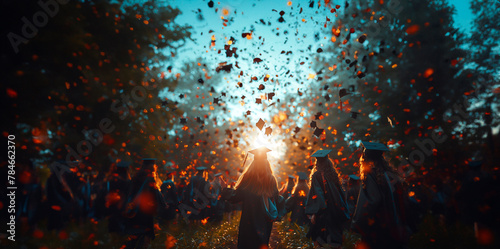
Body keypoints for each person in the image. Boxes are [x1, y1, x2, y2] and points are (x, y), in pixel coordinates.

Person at [351, 141, 413, 249]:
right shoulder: (391, 176)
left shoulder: (370, 176)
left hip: (378, 230)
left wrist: (356, 224)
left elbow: (370, 203)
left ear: (365, 157)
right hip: (395, 228)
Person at [222, 147, 285, 249]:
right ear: (266, 162)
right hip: (264, 222)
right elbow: (277, 199)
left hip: (248, 221)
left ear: (253, 163)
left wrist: (225, 189)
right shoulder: (271, 180)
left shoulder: (248, 179)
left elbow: (235, 197)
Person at [305, 149, 350, 248]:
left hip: (324, 214)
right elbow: (341, 195)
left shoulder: (317, 175)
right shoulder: (333, 175)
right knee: (334, 241)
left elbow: (317, 195)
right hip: (335, 211)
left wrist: (315, 213)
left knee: (322, 241)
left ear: (317, 162)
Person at [123, 158, 167, 249]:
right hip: (145, 212)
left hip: (134, 211)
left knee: (134, 237)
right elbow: (156, 194)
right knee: (145, 238)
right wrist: (163, 205)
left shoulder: (135, 177)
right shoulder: (150, 179)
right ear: (152, 167)